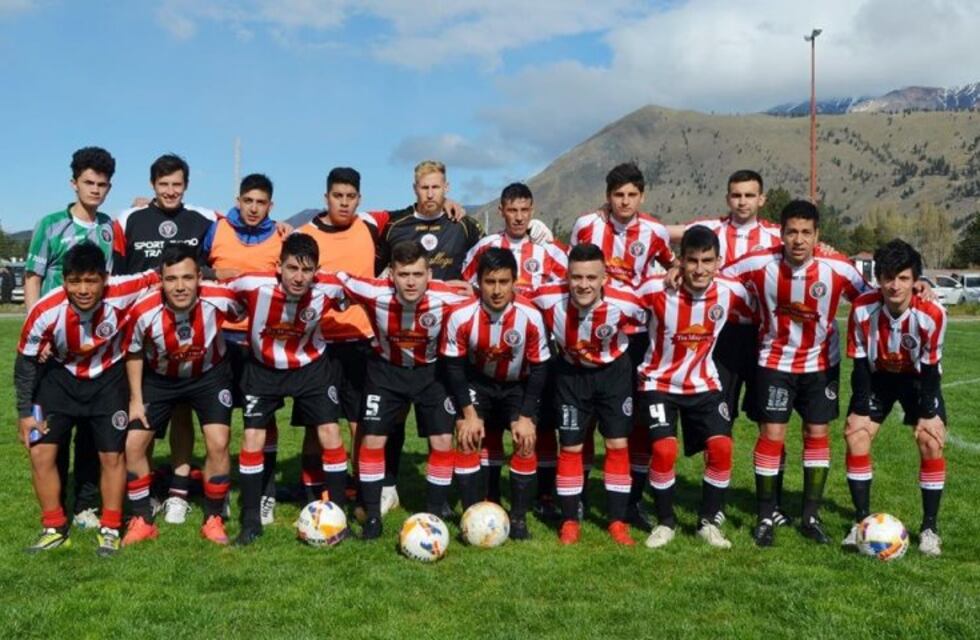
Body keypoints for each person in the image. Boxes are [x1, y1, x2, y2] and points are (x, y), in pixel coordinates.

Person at [722, 200, 871, 547]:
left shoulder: (838, 267)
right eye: (792, 232)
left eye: (806, 233)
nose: (799, 240)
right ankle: (764, 516)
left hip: (820, 364)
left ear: (817, 235)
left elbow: (870, 298)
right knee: (772, 434)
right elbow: (717, 275)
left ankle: (811, 515)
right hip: (774, 362)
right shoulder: (760, 262)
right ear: (782, 233)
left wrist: (920, 287)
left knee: (816, 433)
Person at [14, 242, 158, 556]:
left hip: (107, 380)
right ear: (64, 281)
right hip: (59, 379)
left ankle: (109, 527)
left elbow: (160, 275)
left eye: (91, 281)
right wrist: (26, 412)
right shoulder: (45, 310)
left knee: (111, 457)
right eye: (75, 281)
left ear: (104, 279)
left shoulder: (122, 290)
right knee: (40, 452)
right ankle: (53, 527)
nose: (82, 289)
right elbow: (24, 362)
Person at [668, 170, 785, 526]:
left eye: (750, 195)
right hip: (721, 338)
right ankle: (715, 504)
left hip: (765, 337)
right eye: (736, 195)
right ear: (727, 198)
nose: (743, 202)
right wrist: (674, 262)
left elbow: (811, 247)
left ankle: (772, 503)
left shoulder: (778, 236)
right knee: (721, 421)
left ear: (761, 199)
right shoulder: (712, 230)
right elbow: (664, 233)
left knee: (772, 422)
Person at [112, 153, 220, 525]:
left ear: (186, 186)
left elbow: (239, 227)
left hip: (190, 337)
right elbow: (117, 274)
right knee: (140, 424)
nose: (170, 191)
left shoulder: (203, 219)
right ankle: (148, 494)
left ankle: (177, 491)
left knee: (184, 414)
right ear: (152, 186)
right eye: (163, 184)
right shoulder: (129, 219)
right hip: (144, 338)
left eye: (177, 184)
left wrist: (283, 226)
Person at [372, 161, 484, 515]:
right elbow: (375, 266)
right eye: (425, 188)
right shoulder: (396, 225)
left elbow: (489, 262)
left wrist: (474, 288)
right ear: (414, 189)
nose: (431, 194)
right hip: (400, 334)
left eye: (437, 187)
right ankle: (388, 485)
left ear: (447, 187)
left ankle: (441, 496)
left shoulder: (463, 224)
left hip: (445, 340)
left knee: (441, 422)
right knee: (392, 420)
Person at [340, 240, 472, 539]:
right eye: (403, 274)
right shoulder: (374, 292)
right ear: (391, 275)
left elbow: (487, 298)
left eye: (417, 274)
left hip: (432, 374)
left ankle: (435, 512)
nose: (410, 282)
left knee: (441, 441)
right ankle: (372, 516)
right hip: (386, 372)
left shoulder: (448, 296)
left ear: (429, 274)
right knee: (372, 439)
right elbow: (335, 278)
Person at [634, 226, 755, 550]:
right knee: (663, 450)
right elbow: (618, 297)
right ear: (680, 261)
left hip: (704, 383)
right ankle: (665, 522)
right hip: (659, 382)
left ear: (719, 262)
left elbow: (766, 289)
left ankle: (708, 522)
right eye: (692, 261)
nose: (699, 269)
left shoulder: (732, 291)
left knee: (722, 449)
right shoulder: (656, 289)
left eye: (707, 261)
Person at [570, 162, 676, 531]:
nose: (625, 201)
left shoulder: (654, 231)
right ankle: (579, 496)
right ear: (607, 197)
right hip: (591, 328)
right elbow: (572, 270)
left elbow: (671, 263)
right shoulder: (588, 225)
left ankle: (631, 502)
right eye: (618, 195)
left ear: (642, 196)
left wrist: (674, 270)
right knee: (583, 418)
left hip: (638, 333)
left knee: (635, 423)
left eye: (632, 194)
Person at [224, 233, 348, 546]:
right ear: (278, 266)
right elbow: (222, 293)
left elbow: (363, 291)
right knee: (253, 435)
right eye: (292, 268)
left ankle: (338, 514)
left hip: (311, 365)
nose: (298, 277)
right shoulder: (252, 284)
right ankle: (251, 520)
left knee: (330, 432)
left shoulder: (329, 287)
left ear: (316, 271)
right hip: (263, 367)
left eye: (307, 271)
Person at [121, 244, 244, 547]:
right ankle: (142, 519)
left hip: (209, 376)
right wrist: (136, 400)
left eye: (187, 278)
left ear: (200, 277)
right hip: (161, 379)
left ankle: (213, 517)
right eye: (171, 278)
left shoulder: (221, 298)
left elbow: (249, 311)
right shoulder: (143, 310)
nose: (180, 286)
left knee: (218, 441)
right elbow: (134, 352)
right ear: (160, 280)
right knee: (133, 444)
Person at [23, 146, 117, 530]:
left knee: (94, 437)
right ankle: (56, 504)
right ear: (73, 183)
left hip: (95, 350)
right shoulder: (50, 225)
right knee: (52, 433)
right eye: (88, 183)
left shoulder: (111, 226)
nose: (95, 190)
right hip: (53, 349)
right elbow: (33, 277)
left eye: (102, 185)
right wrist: (37, 331)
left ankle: (86, 505)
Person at [529, 243, 647, 546]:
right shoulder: (547, 296)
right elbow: (510, 299)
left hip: (614, 374)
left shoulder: (626, 301)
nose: (583, 285)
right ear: (567, 276)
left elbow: (657, 309)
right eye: (577, 277)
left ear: (604, 278)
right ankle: (570, 521)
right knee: (569, 447)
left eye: (591, 278)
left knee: (617, 444)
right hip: (571, 375)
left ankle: (617, 522)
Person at [460, 182, 566, 511]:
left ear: (532, 211)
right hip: (494, 347)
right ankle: (490, 494)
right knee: (491, 429)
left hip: (538, 351)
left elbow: (570, 287)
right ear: (501, 211)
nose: (518, 217)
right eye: (512, 210)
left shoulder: (549, 250)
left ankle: (545, 494)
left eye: (524, 210)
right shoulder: (486, 246)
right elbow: (465, 285)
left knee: (542, 426)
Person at [842, 240, 948, 556]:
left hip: (917, 379)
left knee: (931, 440)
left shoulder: (933, 313)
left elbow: (931, 368)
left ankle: (929, 528)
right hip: (878, 378)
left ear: (915, 281)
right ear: (878, 279)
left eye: (903, 278)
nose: (894, 285)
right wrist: (860, 407)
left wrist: (928, 413)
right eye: (888, 277)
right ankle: (861, 524)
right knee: (856, 434)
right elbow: (860, 363)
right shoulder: (862, 309)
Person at [442, 248, 551, 540]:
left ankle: (517, 520)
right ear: (478, 282)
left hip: (518, 386)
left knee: (525, 441)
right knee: (468, 438)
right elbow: (453, 367)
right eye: (490, 282)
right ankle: (472, 516)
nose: (498, 289)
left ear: (515, 281)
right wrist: (468, 414)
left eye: (504, 281)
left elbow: (540, 369)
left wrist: (526, 416)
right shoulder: (461, 315)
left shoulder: (530, 316)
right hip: (478, 382)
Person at [202, 173, 284, 525]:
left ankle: (266, 492)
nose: (253, 208)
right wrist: (213, 273)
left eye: (260, 202)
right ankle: (218, 498)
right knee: (218, 424)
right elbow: (190, 268)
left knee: (263, 420)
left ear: (270, 206)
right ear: (238, 200)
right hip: (219, 340)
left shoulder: (281, 237)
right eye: (247, 201)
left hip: (259, 342)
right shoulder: (215, 229)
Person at [300, 167, 380, 510]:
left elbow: (417, 212)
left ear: (359, 200)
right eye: (337, 196)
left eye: (350, 197)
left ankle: (360, 491)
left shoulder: (372, 226)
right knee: (316, 422)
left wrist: (450, 203)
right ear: (326, 197)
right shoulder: (304, 234)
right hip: (319, 342)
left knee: (359, 420)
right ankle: (313, 493)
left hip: (361, 340)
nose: (344, 203)